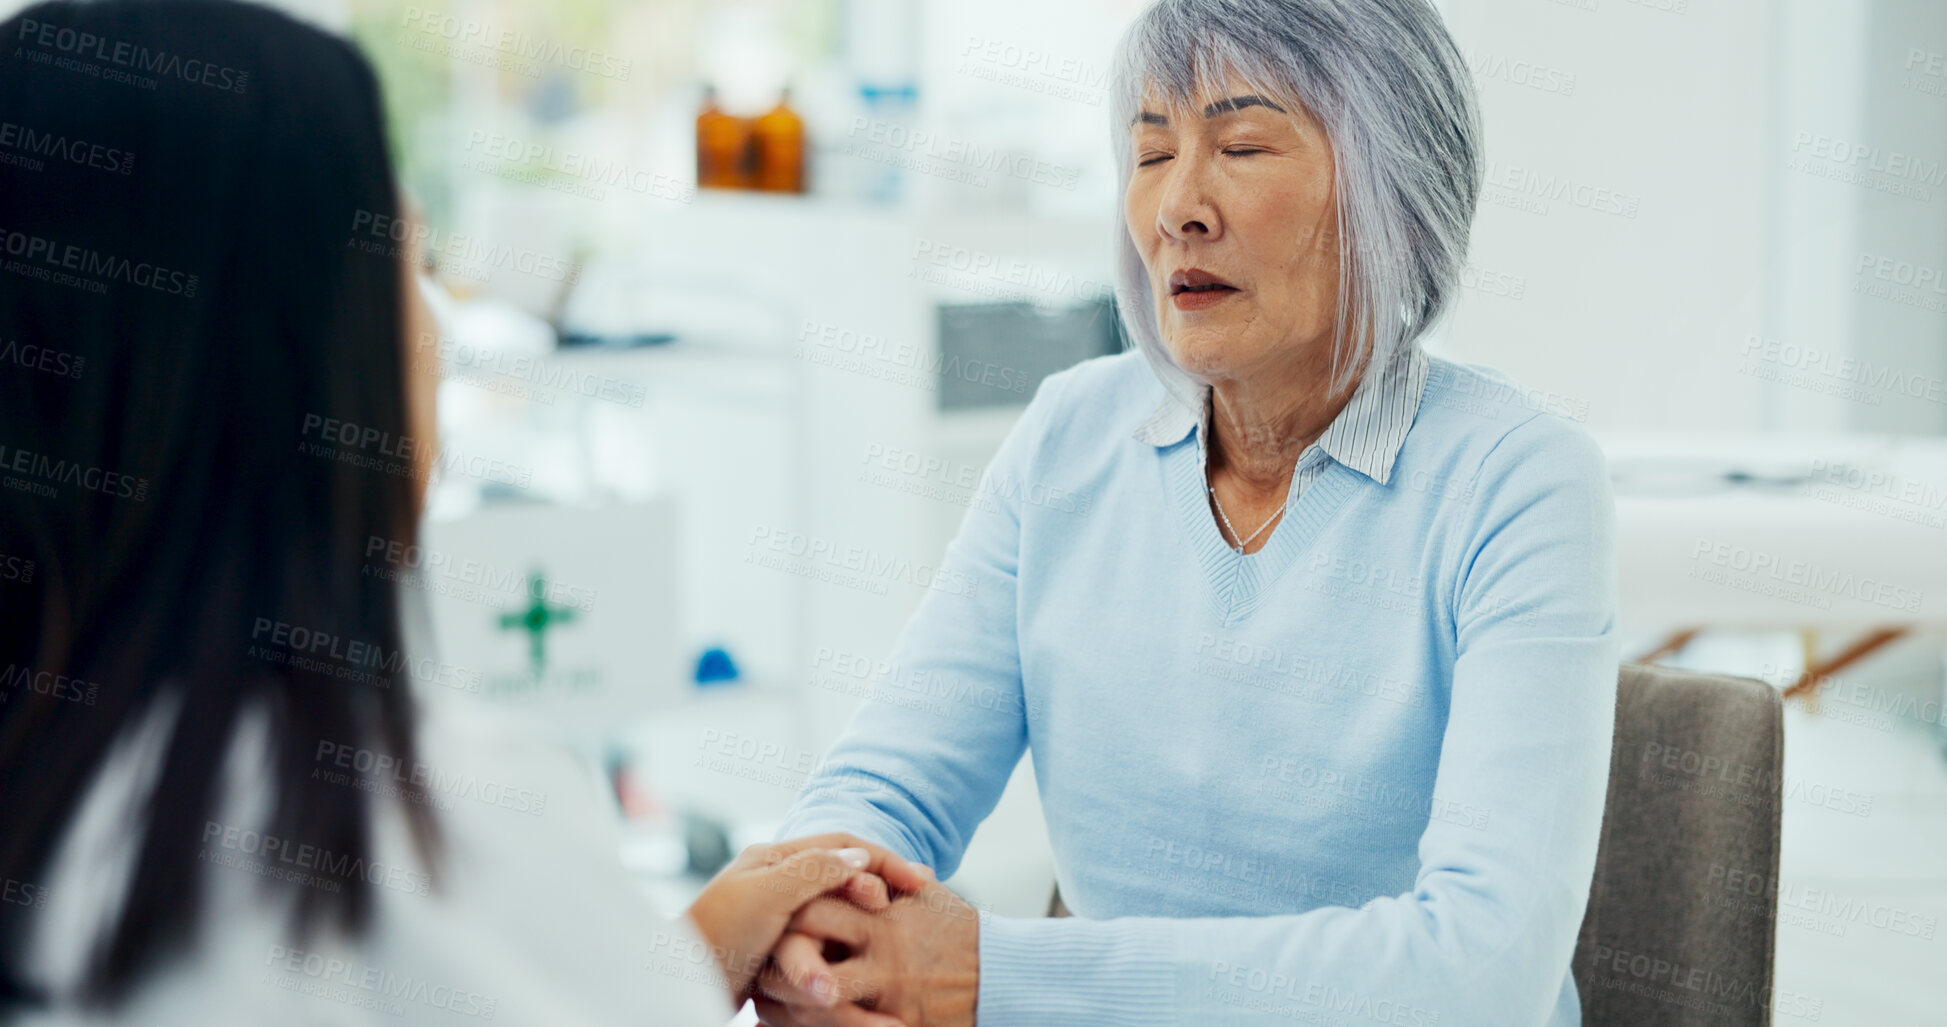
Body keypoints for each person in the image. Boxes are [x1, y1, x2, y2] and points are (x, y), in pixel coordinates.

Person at [0, 2, 926, 1023]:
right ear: (305, 351)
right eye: (411, 261)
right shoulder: (417, 816)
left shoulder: (75, 764)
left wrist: (676, 962)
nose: (438, 325)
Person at [754, 0, 1620, 1024]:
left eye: (1243, 144)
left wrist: (993, 974)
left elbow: (1483, 969)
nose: (1179, 208)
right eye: (1152, 151)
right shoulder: (1071, 436)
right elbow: (888, 782)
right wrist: (823, 915)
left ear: (1400, 192)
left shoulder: (1518, 480)